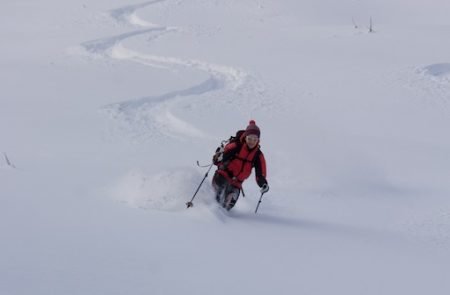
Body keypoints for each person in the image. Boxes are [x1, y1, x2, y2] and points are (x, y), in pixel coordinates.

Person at [212, 120, 269, 210]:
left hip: (237, 183)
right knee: (216, 197)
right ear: (245, 137)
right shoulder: (236, 146)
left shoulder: (258, 155)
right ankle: (210, 211)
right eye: (249, 138)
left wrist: (263, 183)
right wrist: (217, 158)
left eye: (255, 139)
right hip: (223, 175)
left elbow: (260, 172)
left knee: (228, 206)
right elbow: (220, 159)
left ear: (258, 140)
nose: (251, 141)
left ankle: (224, 219)